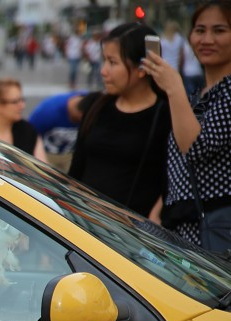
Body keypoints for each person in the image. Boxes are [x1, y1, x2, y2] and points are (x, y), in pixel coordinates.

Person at [143, 0, 231, 246]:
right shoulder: (201, 95)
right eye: (200, 30)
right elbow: (180, 163)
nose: (207, 39)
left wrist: (173, 87)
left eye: (220, 30)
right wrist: (160, 210)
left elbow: (195, 148)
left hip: (217, 226)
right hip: (186, 222)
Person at [68, 23, 171, 219]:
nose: (103, 71)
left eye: (112, 62)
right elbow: (77, 168)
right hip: (81, 224)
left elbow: (170, 182)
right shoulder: (96, 105)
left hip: (128, 237)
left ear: (142, 68)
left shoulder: (165, 114)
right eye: (104, 61)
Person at [0, 79, 47, 162]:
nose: (22, 106)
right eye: (15, 102)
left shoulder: (28, 131)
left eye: (22, 100)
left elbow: (42, 166)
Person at [28, 90, 94, 172]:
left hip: (71, 154)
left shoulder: (90, 102)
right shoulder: (47, 112)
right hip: (48, 153)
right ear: (78, 113)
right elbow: (29, 134)